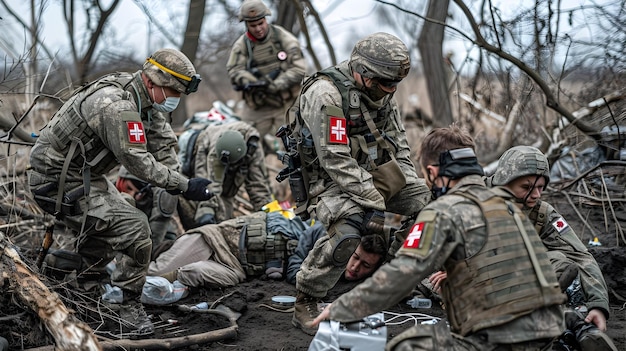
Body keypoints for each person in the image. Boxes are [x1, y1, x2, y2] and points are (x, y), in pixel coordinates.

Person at [312, 125, 568, 350]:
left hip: (497, 340)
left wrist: (344, 307)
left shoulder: (444, 209)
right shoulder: (509, 205)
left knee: (406, 345)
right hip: (547, 332)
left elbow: (403, 272)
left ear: (433, 173)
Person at [28, 48, 214, 336]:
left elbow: (163, 145)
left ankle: (84, 280)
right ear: (152, 82)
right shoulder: (117, 106)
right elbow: (137, 160)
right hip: (55, 183)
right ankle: (128, 306)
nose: (174, 98)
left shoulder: (143, 99)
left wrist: (178, 181)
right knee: (135, 227)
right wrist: (184, 186)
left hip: (84, 178)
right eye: (172, 91)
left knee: (123, 208)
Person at [289, 32, 431, 335]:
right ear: (363, 73)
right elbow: (335, 160)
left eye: (395, 84)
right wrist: (376, 205)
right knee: (348, 234)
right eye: (384, 83)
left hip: (372, 175)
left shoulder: (383, 90)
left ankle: (397, 273)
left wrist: (406, 182)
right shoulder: (326, 95)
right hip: (327, 184)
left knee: (431, 204)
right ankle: (307, 298)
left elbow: (399, 145)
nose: (391, 90)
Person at [488, 145, 617, 351]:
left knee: (559, 261)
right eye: (527, 187)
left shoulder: (542, 213)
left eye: (540, 187)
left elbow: (580, 256)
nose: (536, 194)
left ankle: (568, 324)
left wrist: (598, 305)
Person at [148, 211, 386, 288]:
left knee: (190, 274)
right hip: (219, 239)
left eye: (365, 265)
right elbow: (296, 268)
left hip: (236, 269)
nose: (355, 267)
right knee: (154, 275)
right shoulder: (323, 236)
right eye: (355, 258)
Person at [226, 0, 306, 154]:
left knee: (295, 148)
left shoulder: (284, 38)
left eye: (261, 23)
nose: (258, 29)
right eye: (253, 25)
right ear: (246, 25)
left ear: (266, 20)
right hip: (258, 106)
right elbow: (234, 70)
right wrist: (254, 82)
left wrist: (277, 84)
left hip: (286, 104)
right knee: (243, 144)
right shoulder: (241, 45)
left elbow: (299, 68)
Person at [177, 120, 273, 229]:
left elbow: (258, 185)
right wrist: (206, 210)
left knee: (225, 219)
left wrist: (268, 214)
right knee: (204, 203)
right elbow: (211, 184)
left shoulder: (253, 147)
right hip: (205, 146)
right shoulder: (215, 151)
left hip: (233, 170)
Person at [115, 166, 179, 248]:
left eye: (137, 193)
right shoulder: (107, 189)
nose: (130, 195)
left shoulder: (159, 197)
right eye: (128, 188)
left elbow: (157, 232)